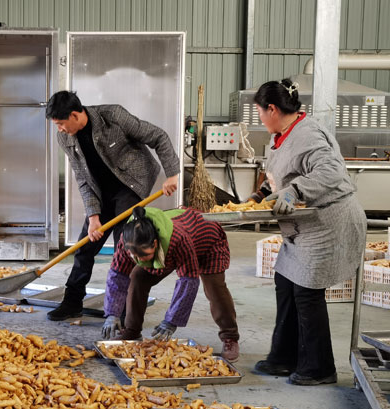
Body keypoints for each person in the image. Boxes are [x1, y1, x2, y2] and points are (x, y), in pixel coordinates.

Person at [250, 78, 367, 385]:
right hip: (303, 227)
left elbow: (331, 171)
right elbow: (282, 172)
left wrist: (295, 191)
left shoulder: (308, 133)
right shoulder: (283, 134)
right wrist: (261, 196)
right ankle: (284, 358)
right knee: (284, 280)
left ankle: (319, 368)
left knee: (306, 291)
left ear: (272, 109)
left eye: (260, 112)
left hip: (329, 222)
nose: (260, 118)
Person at [45, 91, 180, 321]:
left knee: (124, 246)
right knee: (85, 246)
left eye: (60, 124)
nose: (59, 129)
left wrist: (173, 174)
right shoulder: (65, 138)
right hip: (100, 191)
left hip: (130, 184)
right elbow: (82, 177)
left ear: (75, 115)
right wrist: (93, 215)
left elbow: (158, 136)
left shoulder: (113, 116)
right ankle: (72, 302)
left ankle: (126, 309)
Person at [101, 206, 240, 362]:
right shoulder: (128, 239)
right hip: (176, 245)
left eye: (145, 256)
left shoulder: (178, 240)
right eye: (135, 256)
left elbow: (188, 282)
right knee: (137, 276)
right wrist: (112, 314)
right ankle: (132, 330)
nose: (140, 260)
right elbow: (117, 277)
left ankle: (230, 337)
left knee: (215, 289)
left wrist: (171, 321)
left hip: (208, 242)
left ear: (155, 243)